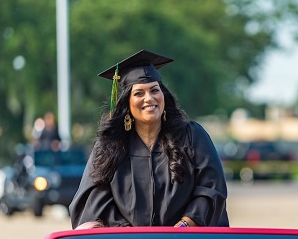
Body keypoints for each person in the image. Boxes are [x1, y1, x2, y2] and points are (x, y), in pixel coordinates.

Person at [69, 49, 229, 229]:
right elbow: (94, 199)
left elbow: (211, 189)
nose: (149, 98)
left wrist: (182, 228)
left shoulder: (192, 137)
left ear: (163, 96)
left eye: (154, 90)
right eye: (139, 93)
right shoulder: (109, 146)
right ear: (127, 103)